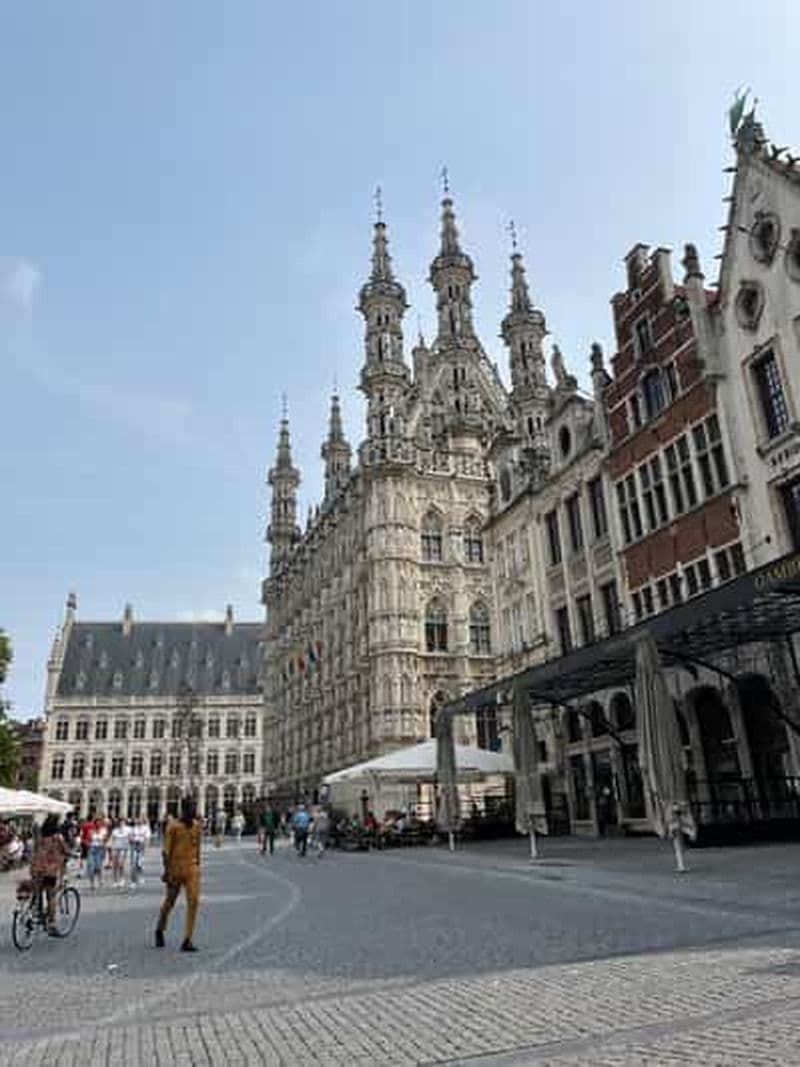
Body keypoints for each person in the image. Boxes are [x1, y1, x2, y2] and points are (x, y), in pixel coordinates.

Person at [155, 796, 202, 952]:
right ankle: (160, 928)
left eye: (194, 807)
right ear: (184, 809)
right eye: (191, 808)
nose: (194, 811)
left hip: (192, 868)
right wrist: (166, 871)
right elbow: (166, 852)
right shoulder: (173, 827)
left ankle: (188, 938)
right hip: (175, 869)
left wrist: (198, 863)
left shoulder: (196, 826)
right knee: (169, 902)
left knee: (193, 902)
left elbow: (197, 847)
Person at [30, 814, 70, 935]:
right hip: (49, 870)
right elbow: (66, 850)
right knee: (51, 896)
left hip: (36, 868)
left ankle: (36, 911)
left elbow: (35, 850)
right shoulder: (57, 837)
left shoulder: (40, 837)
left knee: (37, 892)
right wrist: (72, 854)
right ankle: (51, 924)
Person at [86, 815, 107, 891]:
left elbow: (104, 840)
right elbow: (87, 839)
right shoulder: (91, 830)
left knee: (98, 867)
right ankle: (92, 884)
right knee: (91, 867)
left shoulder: (103, 830)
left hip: (100, 849)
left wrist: (104, 851)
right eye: (97, 822)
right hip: (92, 849)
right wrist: (88, 843)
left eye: (99, 822)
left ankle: (100, 879)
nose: (98, 823)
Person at [129, 817, 151, 887]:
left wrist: (146, 846)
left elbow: (147, 838)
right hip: (134, 846)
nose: (138, 822)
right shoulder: (133, 828)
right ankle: (133, 881)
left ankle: (140, 876)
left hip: (142, 847)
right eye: (137, 821)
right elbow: (130, 837)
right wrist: (132, 839)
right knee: (133, 864)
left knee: (139, 864)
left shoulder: (146, 828)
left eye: (140, 821)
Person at [110, 818, 130, 888]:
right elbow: (112, 839)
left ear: (124, 823)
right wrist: (111, 848)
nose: (121, 824)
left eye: (122, 822)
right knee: (115, 865)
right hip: (115, 848)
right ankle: (115, 881)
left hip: (123, 849)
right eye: (119, 823)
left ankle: (122, 879)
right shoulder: (115, 831)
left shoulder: (128, 830)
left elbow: (130, 838)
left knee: (121, 864)